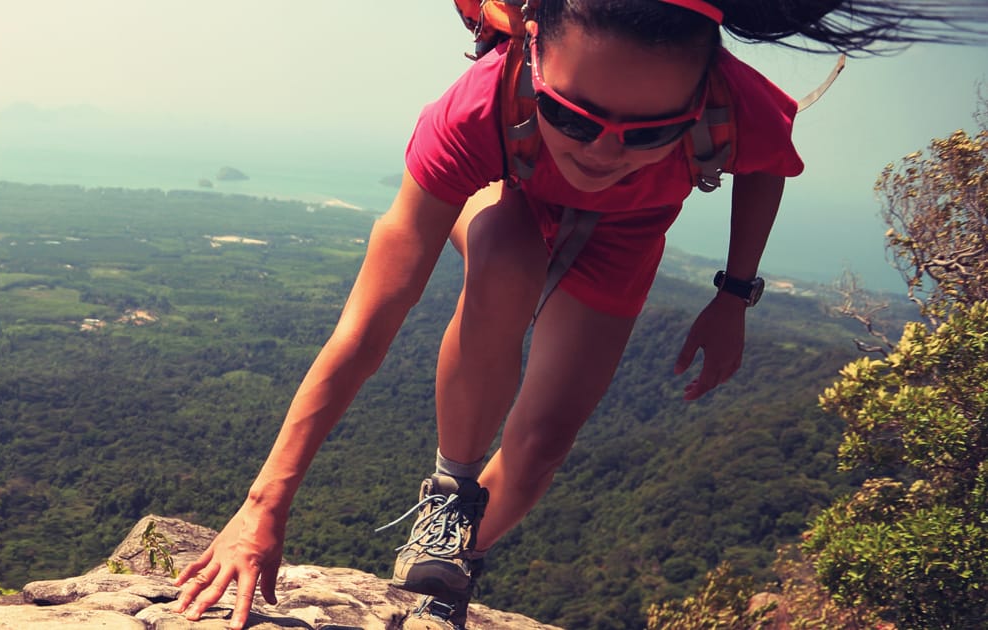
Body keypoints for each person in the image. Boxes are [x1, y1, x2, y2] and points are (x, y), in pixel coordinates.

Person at [169, 1, 988, 628]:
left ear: (698, 98)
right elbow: (370, 322)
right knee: (506, 259)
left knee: (541, 445)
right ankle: (451, 493)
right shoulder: (474, 112)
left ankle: (448, 567)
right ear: (529, 49)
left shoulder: (734, 105)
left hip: (626, 236)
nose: (602, 151)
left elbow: (765, 163)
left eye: (650, 133)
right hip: (513, 196)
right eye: (572, 115)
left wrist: (733, 295)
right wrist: (264, 504)